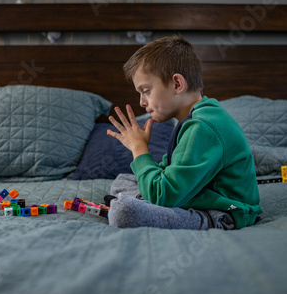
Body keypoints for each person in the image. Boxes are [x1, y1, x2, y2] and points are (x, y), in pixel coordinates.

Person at [106, 35, 262, 230]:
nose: (142, 102)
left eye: (146, 90)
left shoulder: (202, 126)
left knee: (124, 212)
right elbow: (169, 171)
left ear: (177, 84)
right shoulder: (198, 116)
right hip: (194, 194)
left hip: (224, 212)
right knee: (123, 181)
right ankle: (143, 200)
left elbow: (164, 193)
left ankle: (141, 203)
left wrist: (139, 148)